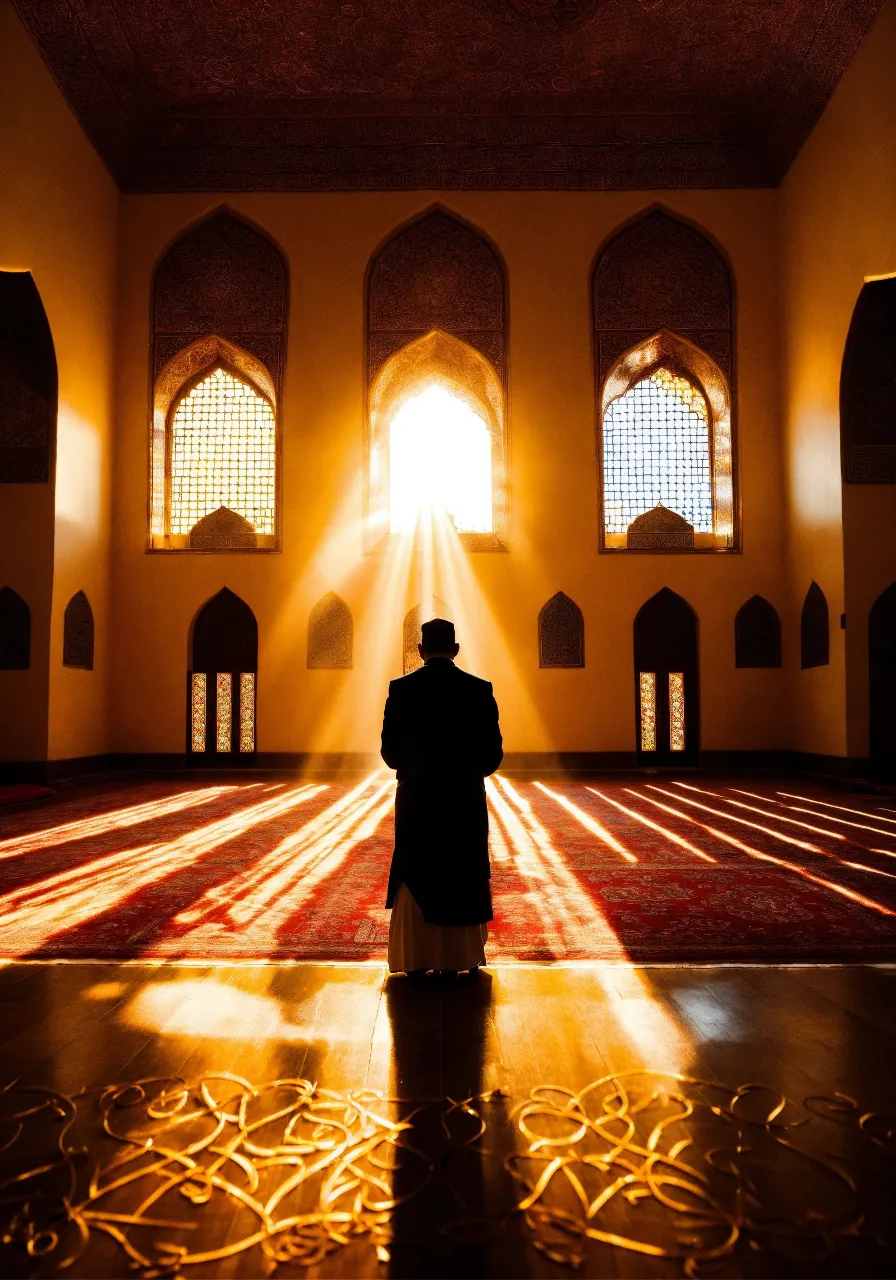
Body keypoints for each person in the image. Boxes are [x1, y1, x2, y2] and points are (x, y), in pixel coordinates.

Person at [381, 618, 503, 978]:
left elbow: (390, 755)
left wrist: (420, 769)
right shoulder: (479, 690)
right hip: (462, 800)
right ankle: (458, 959)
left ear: (420, 650)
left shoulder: (401, 690)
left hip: (417, 798)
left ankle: (415, 959)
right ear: (455, 649)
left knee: (417, 867)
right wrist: (462, 774)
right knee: (460, 869)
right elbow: (492, 756)